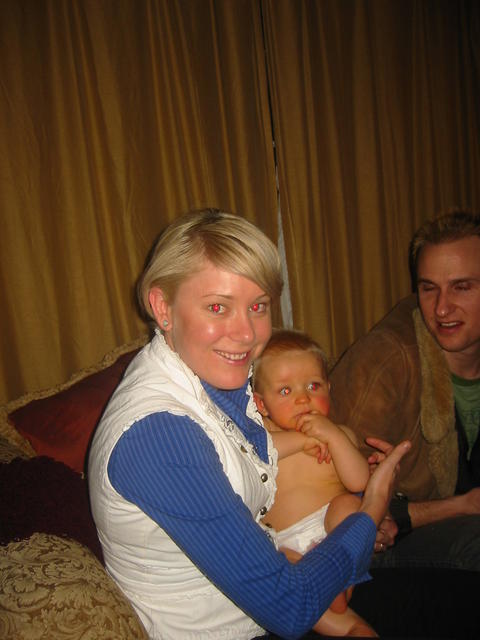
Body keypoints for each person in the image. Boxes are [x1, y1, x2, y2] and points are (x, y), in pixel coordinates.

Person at [87, 208, 409, 640]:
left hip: (282, 585)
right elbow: (290, 608)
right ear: (162, 306)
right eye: (217, 307)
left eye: (258, 306)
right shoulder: (158, 436)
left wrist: (354, 514)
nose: (246, 334)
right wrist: (370, 508)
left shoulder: (220, 380)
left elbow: (249, 456)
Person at [329, 209, 480, 572]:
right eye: (428, 288)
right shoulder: (384, 361)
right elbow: (330, 500)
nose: (441, 308)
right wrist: (460, 506)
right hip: (387, 548)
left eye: (461, 287)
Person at [252, 329, 376, 637]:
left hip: (331, 533)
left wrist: (332, 436)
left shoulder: (340, 435)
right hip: (286, 546)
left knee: (350, 506)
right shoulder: (262, 437)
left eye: (313, 386)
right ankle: (350, 625)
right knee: (276, 568)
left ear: (329, 388)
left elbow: (360, 480)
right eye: (285, 391)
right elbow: (257, 454)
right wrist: (303, 440)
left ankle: (340, 587)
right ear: (261, 405)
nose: (303, 398)